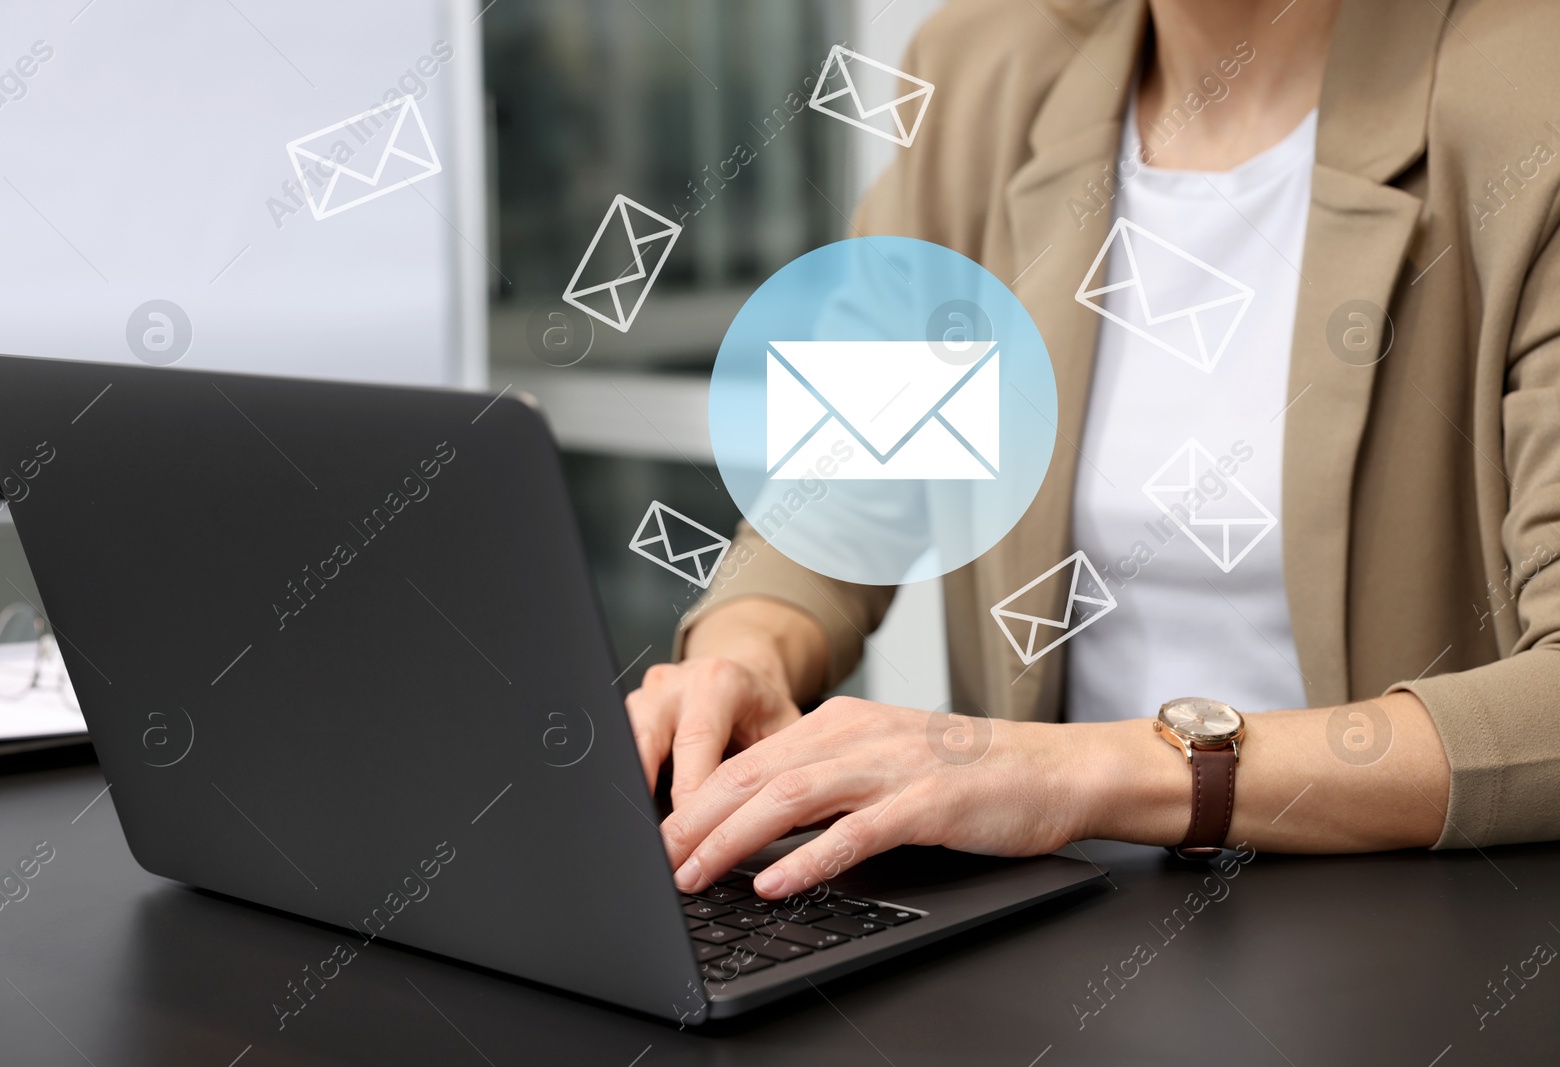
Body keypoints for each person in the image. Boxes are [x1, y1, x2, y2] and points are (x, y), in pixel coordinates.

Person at [627, 0, 1560, 900]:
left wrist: (1084, 774)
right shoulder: (979, 67)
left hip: (1406, 957)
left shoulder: (1528, 89)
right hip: (1051, 940)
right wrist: (747, 648)